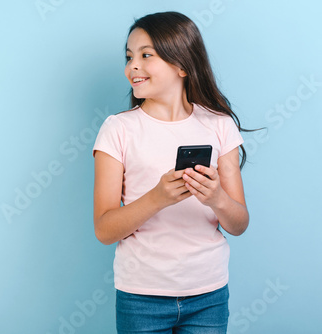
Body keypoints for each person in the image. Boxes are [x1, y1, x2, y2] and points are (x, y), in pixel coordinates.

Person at [92, 11, 251, 334]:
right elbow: (105, 230)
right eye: (129, 57)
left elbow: (238, 223)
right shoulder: (118, 129)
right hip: (141, 296)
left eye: (146, 55)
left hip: (209, 293)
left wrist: (217, 198)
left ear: (182, 65)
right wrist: (157, 198)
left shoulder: (219, 126)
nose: (132, 66)